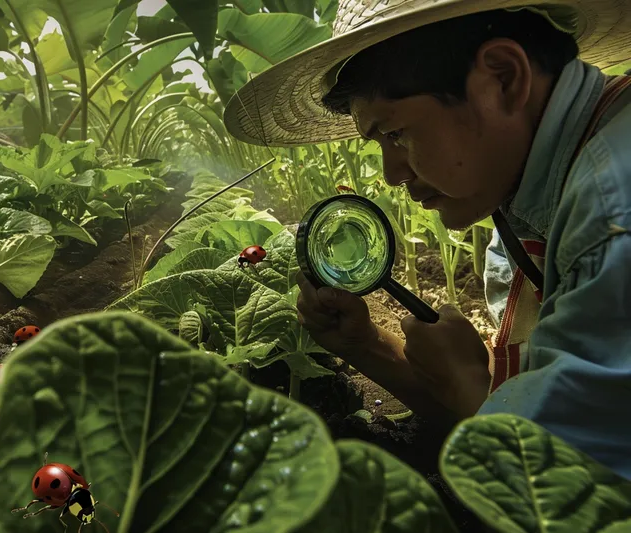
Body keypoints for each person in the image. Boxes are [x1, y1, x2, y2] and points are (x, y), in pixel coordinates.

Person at [223, 0, 631, 479]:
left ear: (503, 77)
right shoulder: (526, 204)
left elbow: (574, 491)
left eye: (396, 133)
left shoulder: (610, 219)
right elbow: (540, 414)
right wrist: (366, 345)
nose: (392, 173)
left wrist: (467, 385)